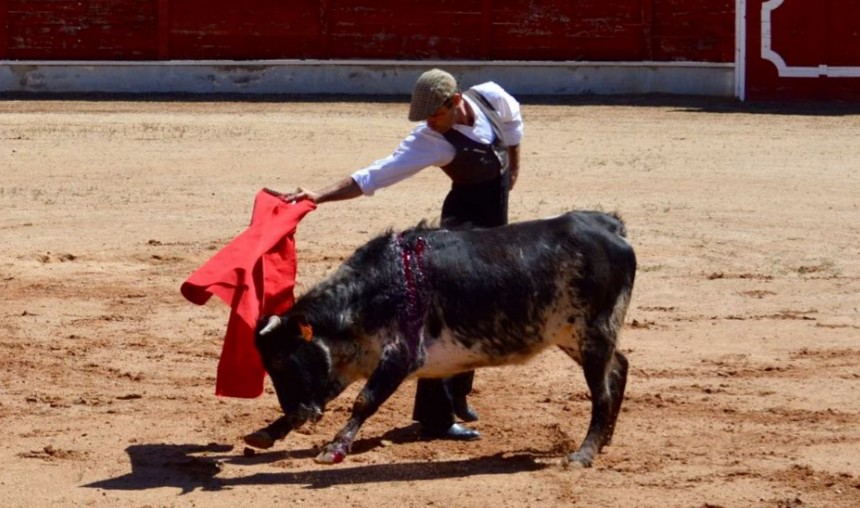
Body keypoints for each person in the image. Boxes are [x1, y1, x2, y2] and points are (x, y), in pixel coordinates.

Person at [265, 68, 523, 441]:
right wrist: (319, 195)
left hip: (494, 228)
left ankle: (458, 395)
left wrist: (513, 170)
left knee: (479, 308)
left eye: (435, 114)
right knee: (447, 317)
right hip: (459, 232)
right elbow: (376, 174)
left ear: (456, 101)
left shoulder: (490, 97)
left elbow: (513, 127)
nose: (429, 123)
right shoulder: (431, 140)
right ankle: (435, 418)